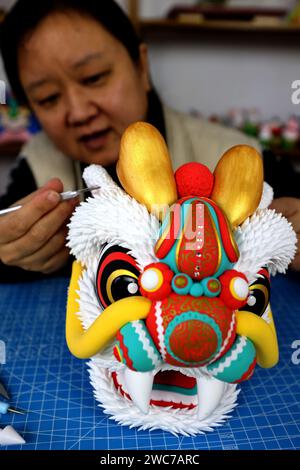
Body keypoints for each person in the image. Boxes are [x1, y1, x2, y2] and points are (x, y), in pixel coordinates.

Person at [0, 0, 299, 282]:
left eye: (94, 77)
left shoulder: (235, 159)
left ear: (142, 67)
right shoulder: (38, 169)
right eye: (48, 98)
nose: (78, 112)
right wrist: (11, 252)